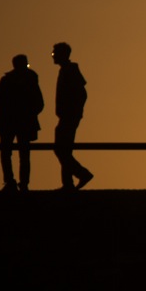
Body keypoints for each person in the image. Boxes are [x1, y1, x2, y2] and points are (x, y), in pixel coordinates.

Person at [0, 54, 44, 192]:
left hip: (10, 122)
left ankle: (11, 182)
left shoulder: (7, 81)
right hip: (20, 123)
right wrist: (29, 114)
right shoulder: (30, 80)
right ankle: (22, 183)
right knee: (22, 154)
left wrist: (2, 119)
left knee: (8, 153)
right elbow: (39, 103)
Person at [52, 42, 94, 191]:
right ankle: (68, 183)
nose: (53, 56)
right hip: (66, 116)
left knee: (61, 149)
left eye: (54, 53)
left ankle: (82, 174)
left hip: (69, 117)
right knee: (63, 149)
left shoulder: (70, 70)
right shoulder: (65, 70)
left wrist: (73, 112)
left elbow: (82, 94)